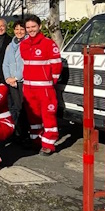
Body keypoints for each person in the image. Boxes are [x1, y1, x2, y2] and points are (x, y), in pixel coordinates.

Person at [20, 15, 62, 156]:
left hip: (44, 88)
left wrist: (50, 83)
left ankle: (48, 144)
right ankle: (36, 141)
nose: (31, 30)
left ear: (40, 26)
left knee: (48, 116)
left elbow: (56, 66)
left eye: (33, 27)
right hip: (29, 88)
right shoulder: (24, 44)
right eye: (28, 27)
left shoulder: (48, 44)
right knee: (33, 117)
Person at [2, 20, 28, 141]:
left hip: (23, 81)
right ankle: (17, 132)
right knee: (15, 108)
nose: (19, 32)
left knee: (24, 109)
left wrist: (16, 77)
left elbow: (26, 64)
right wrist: (7, 77)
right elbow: (5, 63)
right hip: (11, 81)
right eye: (17, 29)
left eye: (22, 29)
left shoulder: (28, 44)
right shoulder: (10, 45)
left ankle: (24, 134)